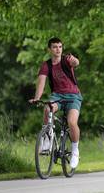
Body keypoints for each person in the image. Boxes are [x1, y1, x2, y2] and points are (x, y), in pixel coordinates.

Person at [29, 37, 82, 168]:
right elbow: (41, 82)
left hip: (73, 96)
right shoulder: (46, 65)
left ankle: (75, 150)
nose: (58, 49)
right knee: (48, 109)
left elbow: (75, 63)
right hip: (57, 96)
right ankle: (47, 138)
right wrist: (37, 97)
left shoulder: (66, 60)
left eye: (60, 47)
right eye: (54, 47)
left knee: (71, 122)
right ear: (49, 49)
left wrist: (74, 60)